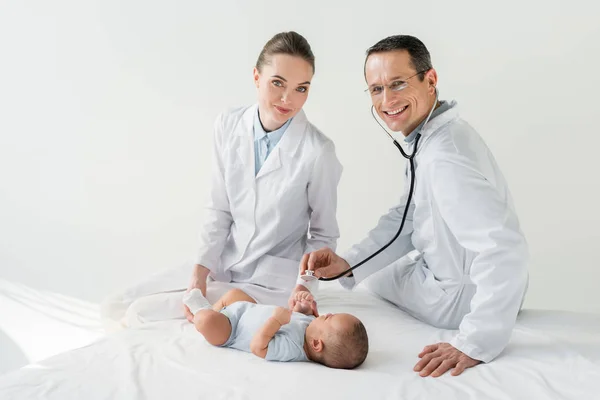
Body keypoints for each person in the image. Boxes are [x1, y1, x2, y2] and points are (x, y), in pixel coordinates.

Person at [293, 35, 529, 377]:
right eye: (376, 89)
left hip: (457, 298)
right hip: (449, 275)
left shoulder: (443, 157)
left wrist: (475, 341)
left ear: (430, 80)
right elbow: (407, 218)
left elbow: (505, 247)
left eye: (398, 84)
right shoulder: (432, 137)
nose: (386, 100)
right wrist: (348, 264)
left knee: (370, 283)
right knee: (364, 275)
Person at [101, 31, 342, 329]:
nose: (287, 99)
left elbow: (324, 235)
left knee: (140, 313)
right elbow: (219, 209)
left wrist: (304, 287)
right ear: (256, 77)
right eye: (277, 83)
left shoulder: (318, 151)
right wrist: (198, 276)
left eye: (301, 88)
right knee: (116, 304)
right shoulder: (229, 124)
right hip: (224, 262)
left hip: (271, 282)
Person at [184, 287, 369, 369]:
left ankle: (201, 311)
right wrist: (303, 308)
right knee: (235, 294)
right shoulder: (310, 327)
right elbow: (297, 315)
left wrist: (276, 322)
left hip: (231, 330)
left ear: (316, 344)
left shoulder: (292, 349)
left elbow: (258, 347)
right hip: (246, 309)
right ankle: (215, 310)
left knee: (206, 321)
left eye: (329, 319)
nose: (327, 314)